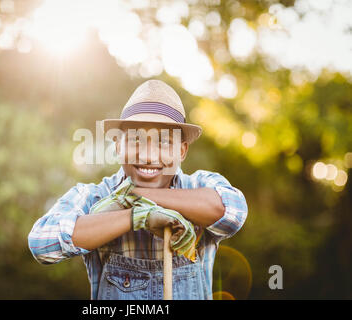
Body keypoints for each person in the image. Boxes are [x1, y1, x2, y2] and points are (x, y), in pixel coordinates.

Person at [28, 80, 248, 300]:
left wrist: (137, 194)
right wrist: (136, 216)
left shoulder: (198, 186)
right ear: (117, 145)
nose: (147, 156)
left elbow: (232, 212)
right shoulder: (95, 195)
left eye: (163, 142)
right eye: (135, 140)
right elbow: (42, 244)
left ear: (182, 151)